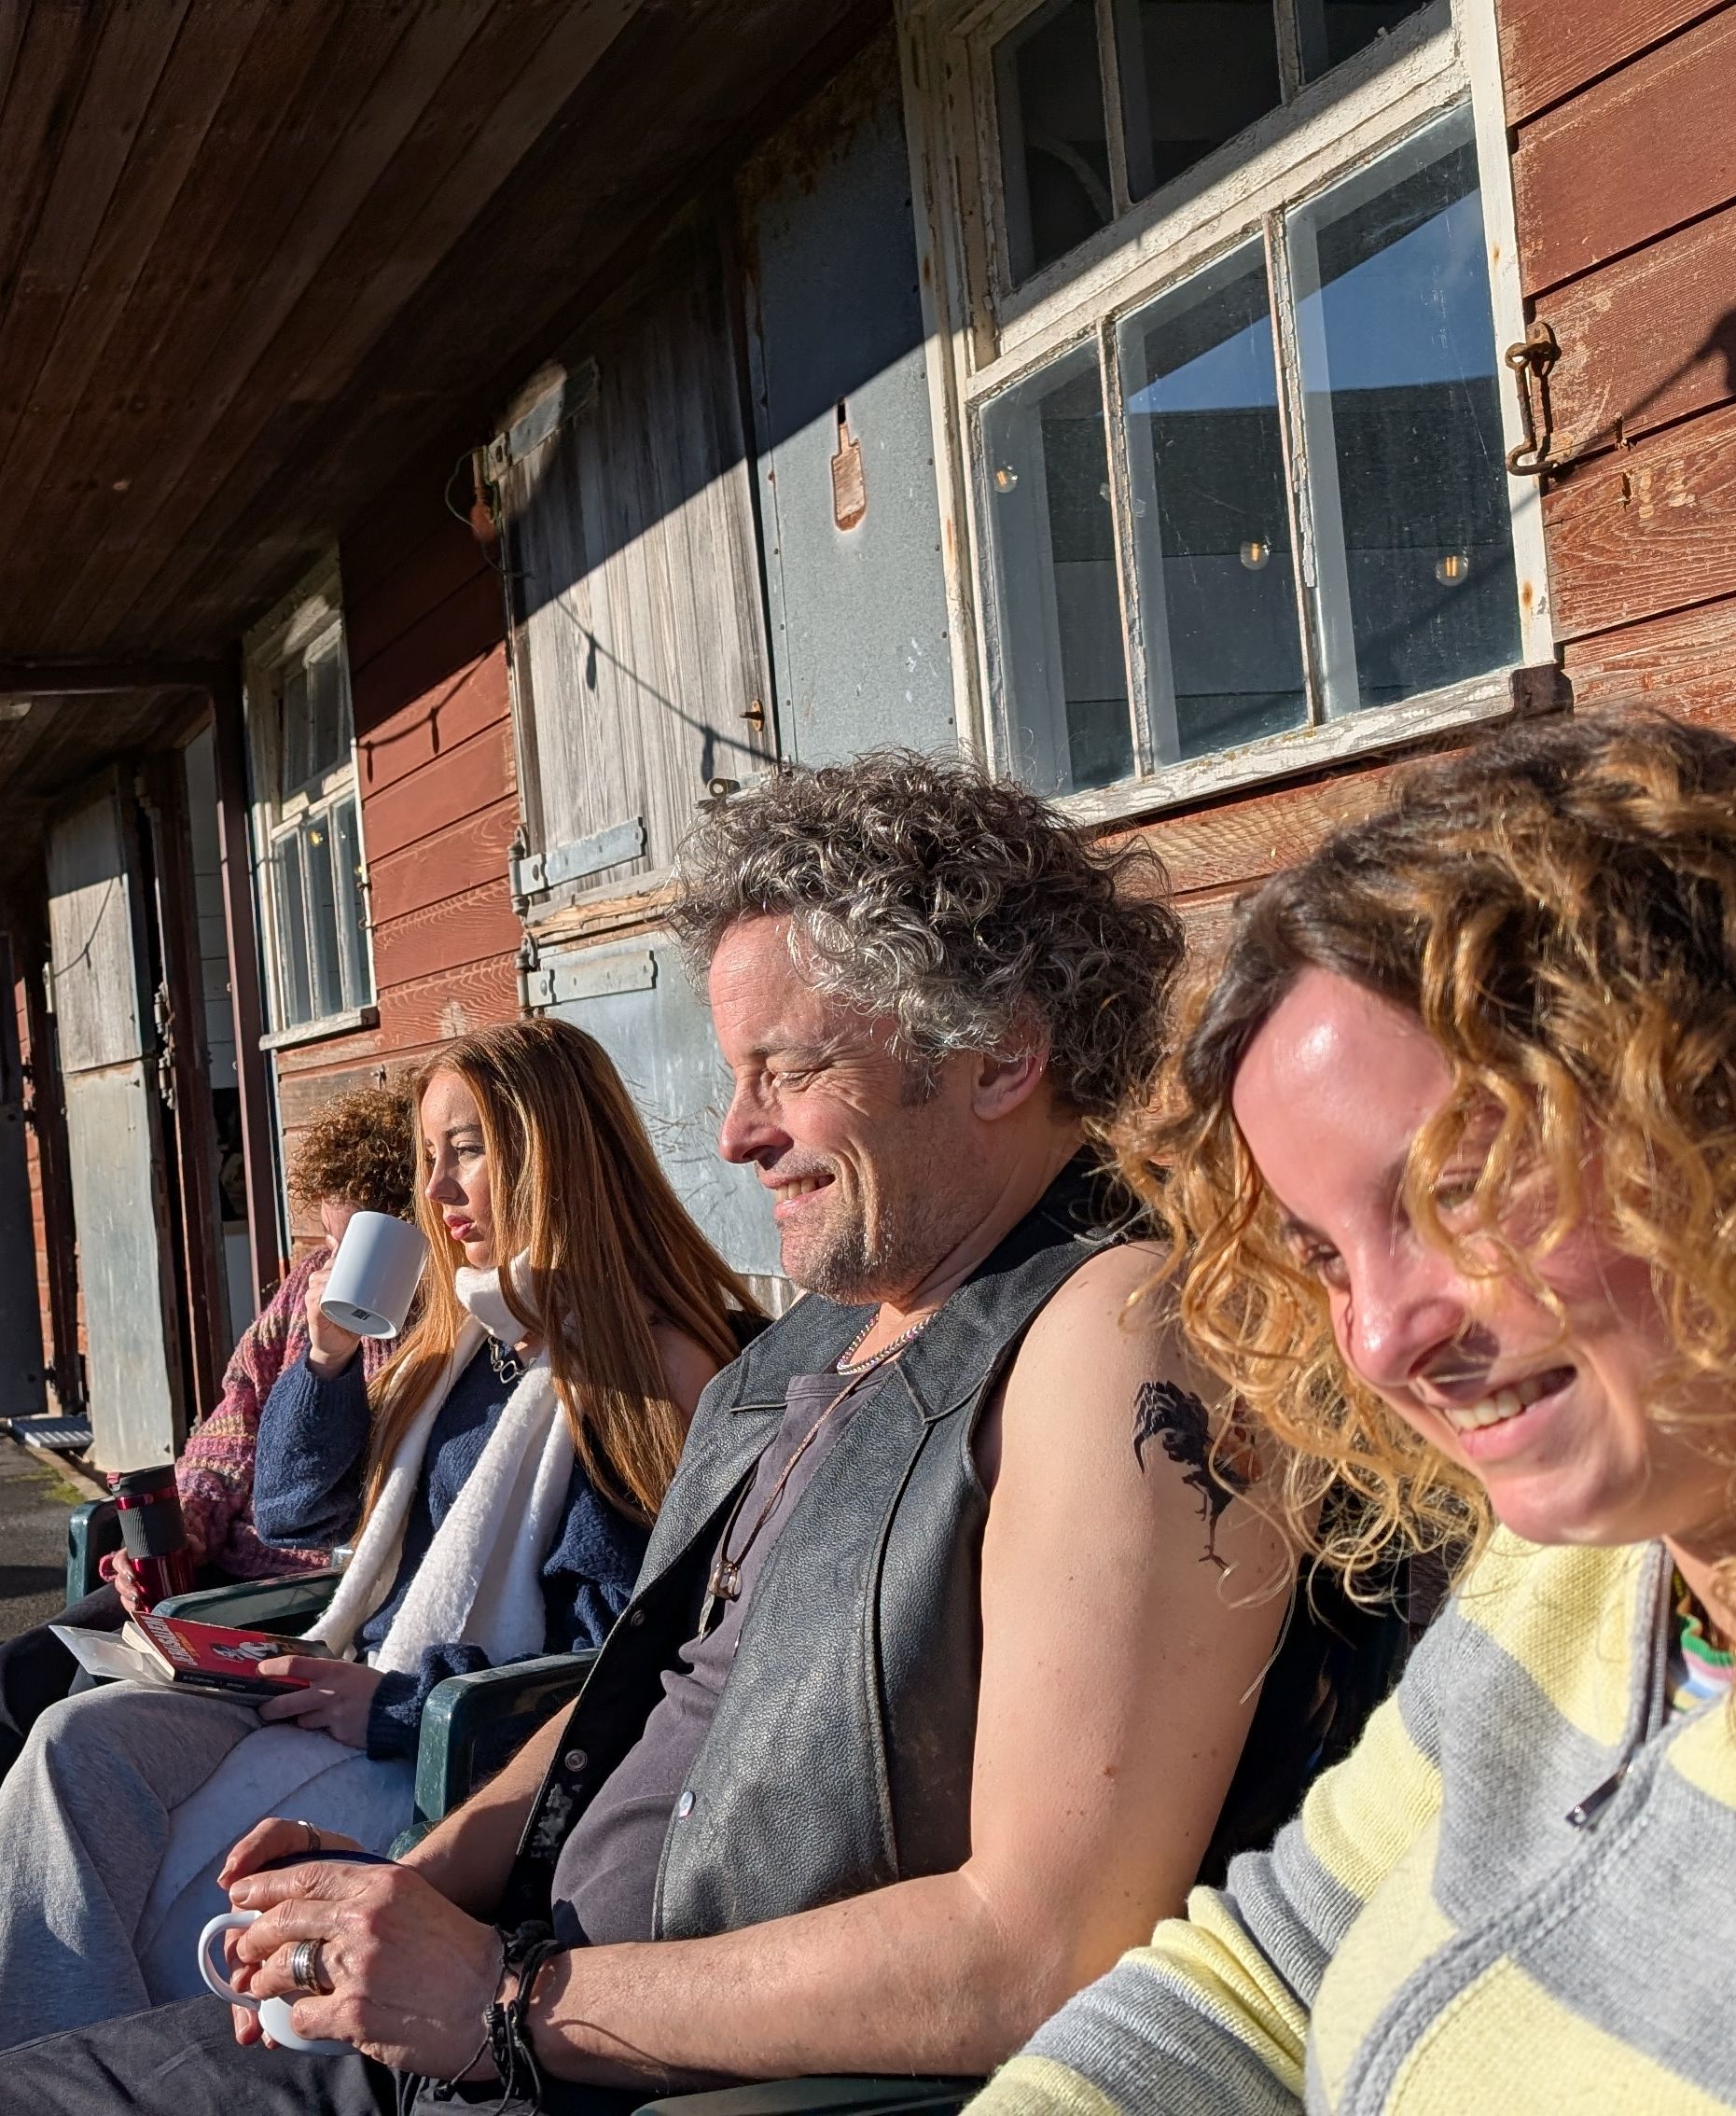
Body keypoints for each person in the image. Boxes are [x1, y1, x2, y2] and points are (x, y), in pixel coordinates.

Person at [0, 750, 1393, 2115]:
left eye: (787, 1070)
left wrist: (498, 1996)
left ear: (1000, 1055)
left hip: (590, 2060)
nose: (734, 1135)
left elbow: (1044, 1951)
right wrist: (420, 1880)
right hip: (501, 2013)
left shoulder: (1114, 1333)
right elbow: (643, 1686)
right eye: (737, 1076)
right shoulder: (811, 1345)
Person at [970, 711, 1736, 2115]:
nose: (1382, 1338)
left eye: (1458, 1190)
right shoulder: (1576, 1583)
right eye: (1325, 1253)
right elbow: (1262, 1979)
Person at [0, 1017, 753, 2047]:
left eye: (467, 1151)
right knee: (72, 1744)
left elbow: (627, 1651)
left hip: (442, 1740)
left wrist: (398, 1706)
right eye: (428, 1157)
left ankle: (112, 2070)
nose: (435, 1191)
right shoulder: (464, 1342)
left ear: (554, 1154)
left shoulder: (648, 1371)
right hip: (341, 1675)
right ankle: (49, 2065)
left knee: (195, 1899)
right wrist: (323, 1356)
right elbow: (294, 1511)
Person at [0, 1083, 414, 1778]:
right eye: (329, 1239)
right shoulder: (309, 1286)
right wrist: (187, 1523)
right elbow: (234, 1420)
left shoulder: (438, 1334)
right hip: (214, 1568)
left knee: (79, 1708)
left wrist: (331, 1357)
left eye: (354, 1245)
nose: (333, 1262)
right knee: (18, 1673)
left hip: (300, 1600)